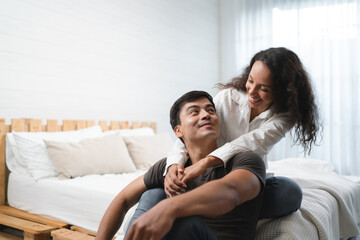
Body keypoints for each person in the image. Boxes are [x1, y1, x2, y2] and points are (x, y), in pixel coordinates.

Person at [136, 47, 320, 221]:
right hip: (205, 178)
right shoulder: (228, 98)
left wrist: (204, 163)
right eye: (250, 81)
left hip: (242, 181)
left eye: (263, 88)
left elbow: (249, 143)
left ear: (283, 92)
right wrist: (174, 165)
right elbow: (187, 135)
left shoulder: (285, 117)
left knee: (289, 192)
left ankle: (203, 210)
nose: (252, 92)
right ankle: (212, 210)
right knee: (153, 194)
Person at [96, 91, 266, 240]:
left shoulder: (245, 159)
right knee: (153, 194)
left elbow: (230, 191)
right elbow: (123, 199)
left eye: (210, 110)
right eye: (194, 112)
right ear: (178, 130)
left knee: (185, 223)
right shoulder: (170, 167)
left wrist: (169, 207)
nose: (206, 115)